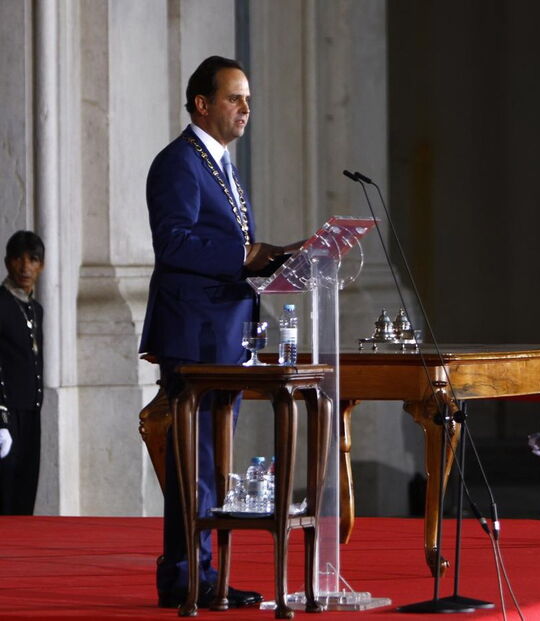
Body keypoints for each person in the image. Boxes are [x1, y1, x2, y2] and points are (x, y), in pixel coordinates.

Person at [140, 56, 288, 609]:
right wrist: (246, 254)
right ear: (202, 104)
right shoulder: (179, 163)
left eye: (248, 98)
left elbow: (229, 245)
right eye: (234, 97)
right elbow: (173, 243)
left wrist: (274, 258)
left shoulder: (220, 163)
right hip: (195, 335)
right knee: (194, 462)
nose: (246, 108)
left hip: (227, 333)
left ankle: (208, 573)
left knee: (212, 461)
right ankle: (185, 576)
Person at [0, 231, 45, 516]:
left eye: (33, 260)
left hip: (30, 409)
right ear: (7, 262)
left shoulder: (36, 309)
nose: (25, 267)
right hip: (5, 412)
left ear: (42, 266)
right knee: (4, 489)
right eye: (19, 259)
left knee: (26, 489)